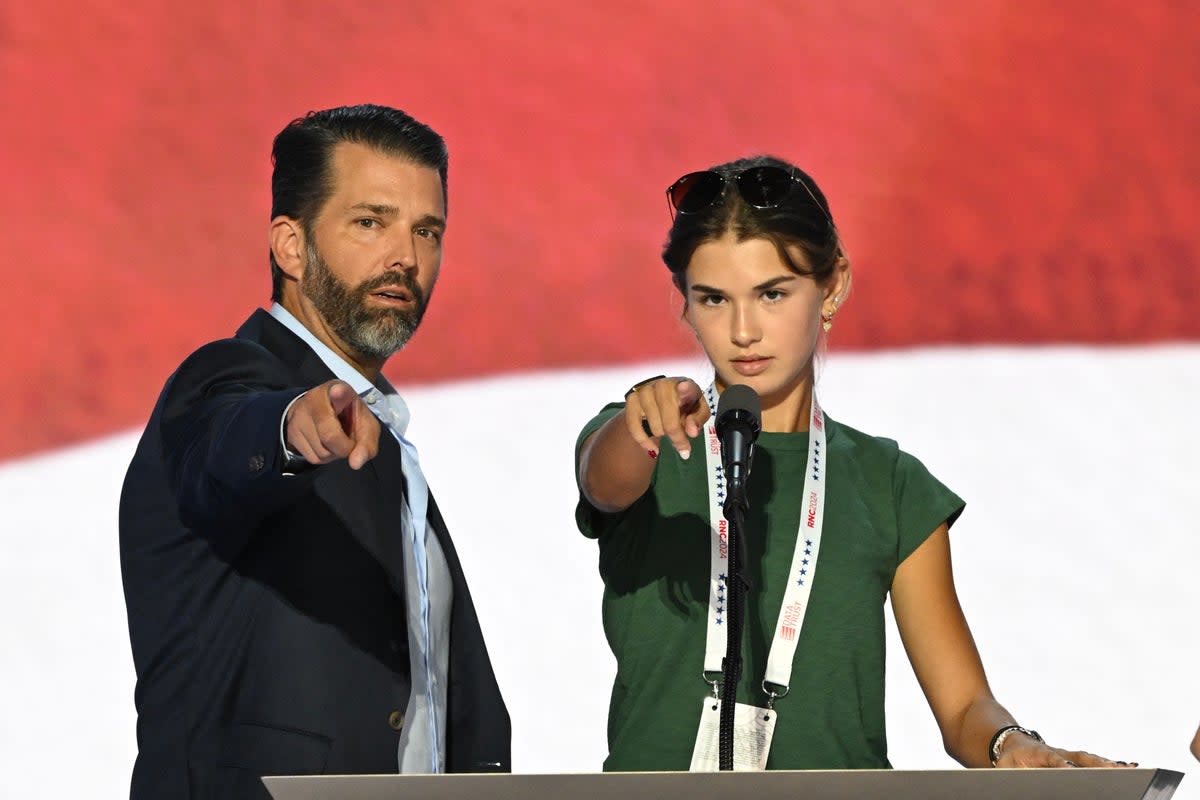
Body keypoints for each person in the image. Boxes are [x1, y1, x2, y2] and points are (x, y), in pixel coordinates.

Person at [574, 156, 1133, 772]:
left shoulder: (888, 482)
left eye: (772, 293)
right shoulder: (641, 441)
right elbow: (603, 484)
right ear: (685, 304)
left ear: (833, 285)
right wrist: (641, 420)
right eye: (713, 298)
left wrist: (1013, 747)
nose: (741, 331)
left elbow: (965, 707)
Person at [119, 104, 510, 800]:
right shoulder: (225, 380)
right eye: (370, 221)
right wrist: (293, 428)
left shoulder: (383, 434)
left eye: (427, 230)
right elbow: (232, 435)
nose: (406, 257)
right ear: (290, 247)